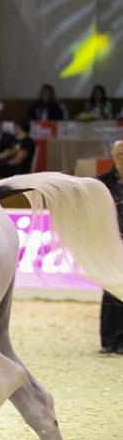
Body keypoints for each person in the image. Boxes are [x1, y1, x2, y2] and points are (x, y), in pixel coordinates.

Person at [96, 140, 123, 354]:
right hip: (112, 243)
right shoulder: (102, 183)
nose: (122, 157)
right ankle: (109, 340)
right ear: (113, 156)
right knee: (111, 290)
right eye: (119, 153)